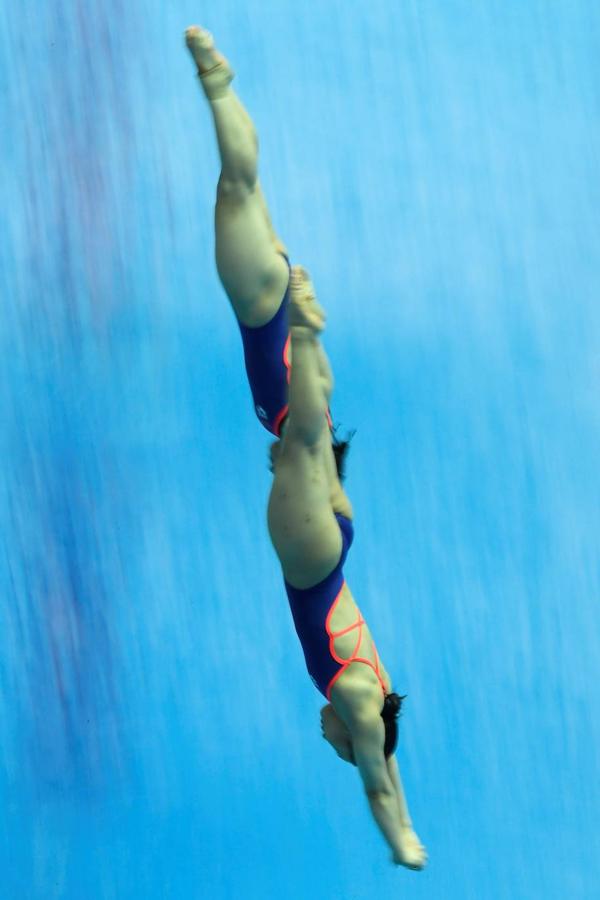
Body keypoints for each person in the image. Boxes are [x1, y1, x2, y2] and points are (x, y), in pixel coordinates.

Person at [185, 27, 426, 870]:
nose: (330, 738)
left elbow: (318, 451)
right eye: (340, 744)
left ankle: (219, 87)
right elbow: (378, 772)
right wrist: (401, 837)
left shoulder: (365, 671)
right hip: (273, 326)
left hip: (326, 528)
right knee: (299, 438)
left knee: (299, 441)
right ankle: (216, 83)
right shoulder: (359, 696)